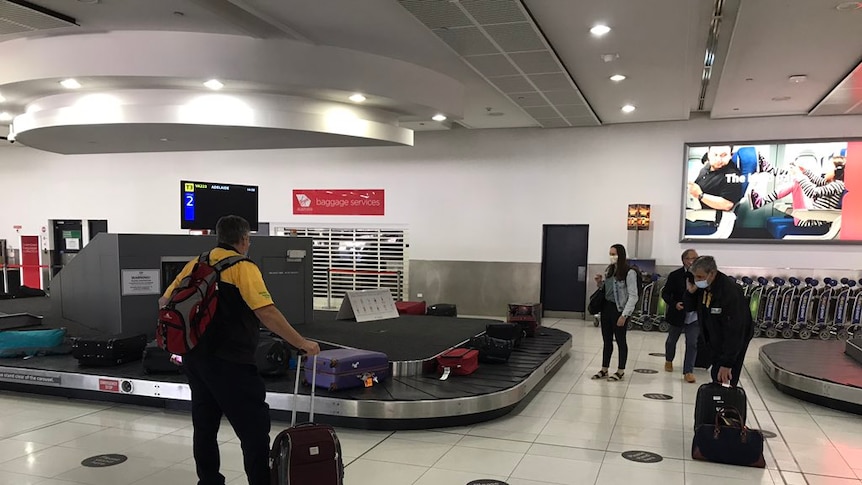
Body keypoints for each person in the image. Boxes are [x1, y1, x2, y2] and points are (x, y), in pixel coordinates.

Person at [160, 215, 320, 485]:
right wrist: (301, 342)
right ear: (245, 240)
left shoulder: (196, 264)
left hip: (195, 358)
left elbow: (165, 300)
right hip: (231, 362)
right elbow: (266, 312)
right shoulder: (242, 267)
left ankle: (209, 480)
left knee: (205, 425)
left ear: (219, 236)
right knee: (254, 431)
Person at [684, 256, 754, 387]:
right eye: (695, 277)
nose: (697, 280)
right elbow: (690, 307)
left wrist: (727, 363)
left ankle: (726, 404)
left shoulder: (729, 292)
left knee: (725, 380)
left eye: (700, 277)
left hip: (731, 344)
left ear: (712, 273)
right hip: (714, 340)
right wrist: (690, 293)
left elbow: (736, 330)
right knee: (716, 376)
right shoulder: (705, 287)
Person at [591, 244, 639, 382]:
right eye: (610, 254)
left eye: (614, 254)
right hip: (606, 308)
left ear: (621, 255)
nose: (612, 257)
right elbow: (609, 290)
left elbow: (633, 295)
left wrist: (624, 315)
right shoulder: (610, 270)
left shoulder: (629, 272)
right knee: (607, 340)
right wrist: (600, 283)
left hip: (619, 309)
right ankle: (604, 368)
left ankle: (620, 370)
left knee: (620, 340)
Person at [661, 249, 700, 383]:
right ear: (684, 260)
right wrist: (674, 304)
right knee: (672, 340)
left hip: (694, 315)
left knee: (692, 343)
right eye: (690, 258)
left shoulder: (701, 275)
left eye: (696, 258)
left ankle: (688, 371)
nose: (693, 261)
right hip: (678, 313)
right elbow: (665, 293)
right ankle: (669, 359)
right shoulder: (675, 275)